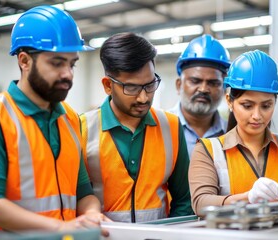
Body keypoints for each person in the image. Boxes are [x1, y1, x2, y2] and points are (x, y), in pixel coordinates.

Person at [0, 5, 109, 235]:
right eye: (56, 63)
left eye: (72, 64)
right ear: (24, 61)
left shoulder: (70, 118)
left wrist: (91, 213)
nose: (68, 74)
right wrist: (60, 228)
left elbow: (83, 192)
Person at [189, 50, 278, 218]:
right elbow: (201, 204)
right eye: (247, 105)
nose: (257, 115)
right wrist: (248, 198)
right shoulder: (207, 150)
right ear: (230, 101)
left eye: (266, 106)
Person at [80, 32, 194, 223]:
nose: (143, 98)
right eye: (131, 88)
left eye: (150, 85)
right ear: (108, 85)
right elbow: (75, 197)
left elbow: (184, 199)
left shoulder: (171, 127)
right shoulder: (81, 129)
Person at [169, 34, 231, 156]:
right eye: (195, 81)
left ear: (224, 89)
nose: (203, 89)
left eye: (213, 83)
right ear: (179, 85)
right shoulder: (160, 128)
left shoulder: (232, 134)